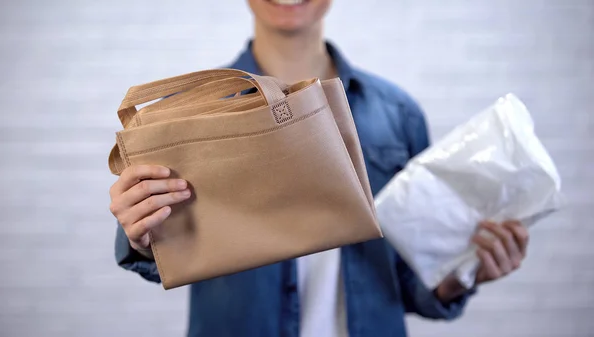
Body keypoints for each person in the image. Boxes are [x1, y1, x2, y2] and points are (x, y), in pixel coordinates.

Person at [109, 1, 530, 336]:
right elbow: (166, 254)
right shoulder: (185, 118)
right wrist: (146, 236)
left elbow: (409, 281)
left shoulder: (397, 114)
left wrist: (461, 275)